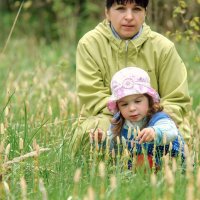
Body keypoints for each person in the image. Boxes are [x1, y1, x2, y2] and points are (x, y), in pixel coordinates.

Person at [70, 0, 191, 155]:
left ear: (145, 12)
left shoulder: (164, 48)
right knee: (92, 134)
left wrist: (151, 123)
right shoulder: (90, 44)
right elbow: (93, 95)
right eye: (120, 9)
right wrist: (127, 120)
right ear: (107, 12)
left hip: (155, 117)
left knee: (173, 139)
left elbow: (176, 99)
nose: (129, 16)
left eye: (137, 9)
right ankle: (106, 174)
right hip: (110, 118)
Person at [106, 66, 185, 169]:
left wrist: (155, 132)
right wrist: (101, 140)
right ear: (118, 107)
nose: (132, 108)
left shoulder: (158, 117)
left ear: (149, 100)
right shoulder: (118, 122)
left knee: (144, 161)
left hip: (169, 164)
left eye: (138, 101)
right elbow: (112, 145)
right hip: (137, 165)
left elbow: (171, 131)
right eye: (124, 104)